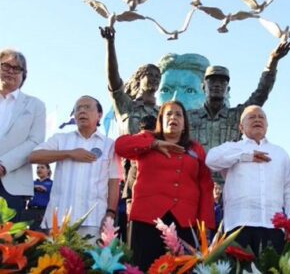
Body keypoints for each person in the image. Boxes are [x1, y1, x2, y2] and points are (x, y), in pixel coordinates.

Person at [115, 101, 215, 271]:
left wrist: (205, 225)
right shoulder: (148, 139)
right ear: (160, 120)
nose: (173, 117)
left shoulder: (196, 149)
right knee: (143, 268)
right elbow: (120, 146)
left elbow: (205, 187)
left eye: (178, 114)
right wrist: (154, 144)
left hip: (185, 222)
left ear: (184, 124)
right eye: (168, 114)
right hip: (147, 219)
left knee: (182, 269)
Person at [189, 42, 290, 184]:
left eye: (222, 82)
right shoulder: (188, 117)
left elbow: (261, 92)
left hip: (230, 185)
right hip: (194, 183)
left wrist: (272, 61)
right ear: (203, 87)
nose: (217, 85)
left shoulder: (238, 115)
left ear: (228, 89)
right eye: (212, 81)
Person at [206, 105, 290, 257]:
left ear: (267, 125)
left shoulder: (280, 153)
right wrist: (247, 155)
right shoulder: (233, 148)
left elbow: (289, 190)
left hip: (274, 226)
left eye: (261, 117)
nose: (257, 119)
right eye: (252, 117)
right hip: (239, 225)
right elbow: (211, 160)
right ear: (241, 127)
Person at [29, 96, 119, 240]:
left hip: (94, 221)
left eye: (87, 107)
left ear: (99, 115)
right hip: (58, 221)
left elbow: (113, 182)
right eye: (78, 108)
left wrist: (110, 213)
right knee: (55, 262)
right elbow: (34, 156)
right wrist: (69, 153)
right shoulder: (60, 139)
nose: (82, 111)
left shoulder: (110, 145)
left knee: (89, 262)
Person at [100, 27, 160, 210]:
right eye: (150, 74)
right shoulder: (127, 105)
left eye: (158, 76)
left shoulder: (163, 113)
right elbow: (114, 80)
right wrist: (110, 44)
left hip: (158, 174)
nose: (155, 79)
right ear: (140, 78)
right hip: (130, 174)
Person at [0, 48, 46, 220]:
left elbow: (35, 141)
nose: (10, 71)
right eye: (5, 66)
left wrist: (4, 165)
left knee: (8, 243)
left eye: (17, 68)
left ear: (23, 75)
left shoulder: (35, 106)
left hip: (13, 185)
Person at [26, 164, 53, 230]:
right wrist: (33, 187)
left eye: (42, 167)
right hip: (30, 211)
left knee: (42, 232)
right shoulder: (31, 183)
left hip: (44, 211)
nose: (39, 169)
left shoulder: (52, 183)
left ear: (48, 170)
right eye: (37, 168)